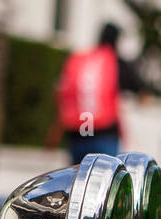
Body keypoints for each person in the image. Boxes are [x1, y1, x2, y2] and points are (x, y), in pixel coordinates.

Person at [49, 22, 148, 162]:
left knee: (80, 181)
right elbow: (143, 94)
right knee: (105, 179)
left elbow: (60, 90)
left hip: (79, 134)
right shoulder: (114, 61)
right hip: (104, 134)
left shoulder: (80, 59)